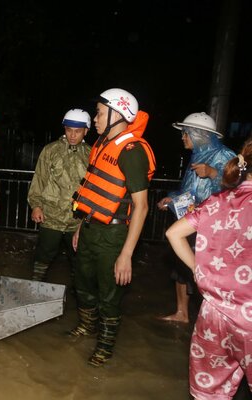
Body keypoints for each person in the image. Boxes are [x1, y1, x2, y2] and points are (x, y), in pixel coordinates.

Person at [70, 88, 156, 366]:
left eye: (99, 113)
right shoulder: (102, 144)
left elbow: (141, 206)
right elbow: (93, 194)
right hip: (91, 227)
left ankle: (105, 346)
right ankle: (87, 326)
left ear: (117, 114)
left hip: (115, 234)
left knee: (109, 294)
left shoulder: (132, 151)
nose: (95, 119)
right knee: (82, 283)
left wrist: (126, 254)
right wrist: (82, 227)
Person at [165, 137, 252, 400]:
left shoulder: (217, 201)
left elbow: (174, 233)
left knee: (209, 395)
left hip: (212, 313)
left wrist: (197, 268)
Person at [157, 112, 236, 323]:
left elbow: (238, 189)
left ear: (199, 134)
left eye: (186, 133)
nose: (183, 137)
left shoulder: (226, 156)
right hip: (191, 221)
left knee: (207, 270)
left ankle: (213, 319)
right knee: (180, 266)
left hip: (214, 226)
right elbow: (190, 192)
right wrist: (171, 199)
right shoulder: (196, 156)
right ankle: (182, 313)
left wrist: (212, 173)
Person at [28, 109, 91, 282]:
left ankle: (77, 292)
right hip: (50, 215)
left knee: (78, 259)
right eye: (69, 130)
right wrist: (36, 206)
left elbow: (93, 187)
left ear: (86, 131)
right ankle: (35, 285)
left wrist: (88, 215)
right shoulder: (50, 150)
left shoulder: (92, 154)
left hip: (77, 220)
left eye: (77, 131)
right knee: (43, 255)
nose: (72, 135)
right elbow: (39, 179)